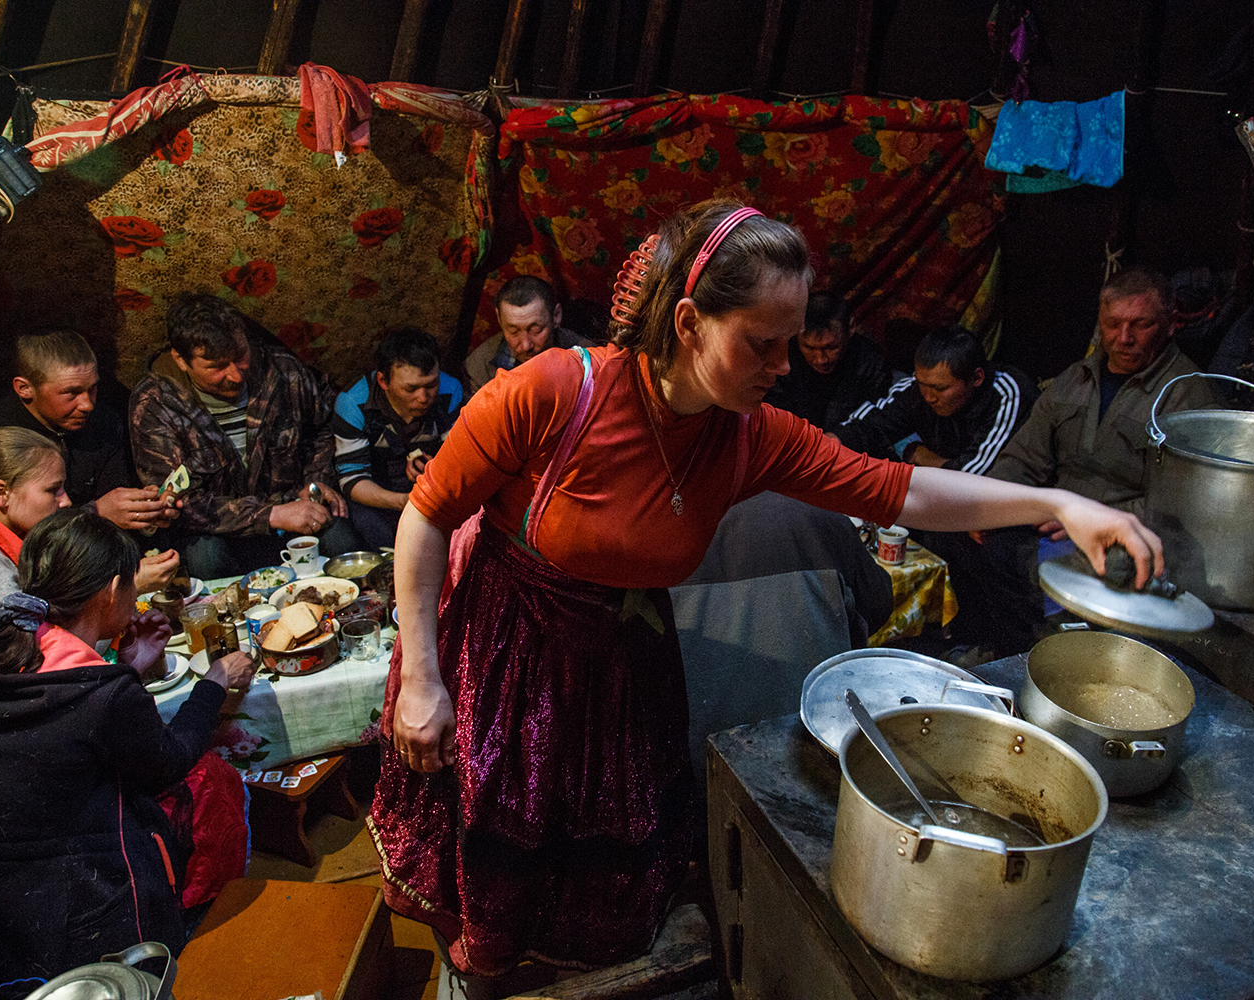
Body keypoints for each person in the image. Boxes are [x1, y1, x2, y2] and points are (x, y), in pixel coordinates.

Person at [368, 200, 1165, 991]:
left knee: (597, 852)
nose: (785, 366)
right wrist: (425, 679)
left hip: (617, 651)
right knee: (508, 834)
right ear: (688, 322)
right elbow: (429, 516)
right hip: (505, 644)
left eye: (791, 343)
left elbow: (902, 492)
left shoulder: (749, 435)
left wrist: (1058, 504)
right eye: (763, 343)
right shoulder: (551, 394)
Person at [0, 509, 256, 992]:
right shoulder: (102, 694)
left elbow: (63, 732)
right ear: (112, 591)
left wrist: (125, 665)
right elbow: (166, 762)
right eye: (132, 587)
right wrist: (214, 684)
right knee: (207, 781)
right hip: (60, 933)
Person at [932, 268, 1215, 654]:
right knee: (963, 532)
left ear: (1169, 325)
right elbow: (1024, 455)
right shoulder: (1076, 379)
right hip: (1057, 520)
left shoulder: (1187, 395)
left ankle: (1068, 654)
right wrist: (990, 505)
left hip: (1125, 532)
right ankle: (1016, 646)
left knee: (1113, 567)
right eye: (1113, 324)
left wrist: (1095, 516)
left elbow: (1182, 504)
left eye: (1141, 325)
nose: (1124, 338)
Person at [130, 294, 360, 579]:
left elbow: (322, 426)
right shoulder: (155, 403)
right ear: (181, 360)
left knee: (341, 540)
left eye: (241, 357)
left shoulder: (283, 372)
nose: (236, 376)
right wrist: (270, 514)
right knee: (206, 559)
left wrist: (316, 482)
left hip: (294, 512)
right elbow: (176, 503)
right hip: (219, 531)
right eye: (216, 366)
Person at [0, 428, 176, 614]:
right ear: (1, 493)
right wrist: (130, 588)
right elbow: (41, 653)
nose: (65, 501)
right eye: (53, 490)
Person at [0, 328, 181, 542]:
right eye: (71, 393)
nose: (87, 405)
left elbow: (114, 493)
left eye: (92, 389)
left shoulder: (104, 423)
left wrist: (142, 509)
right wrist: (94, 514)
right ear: (24, 388)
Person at [836, 325, 1037, 474]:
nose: (929, 397)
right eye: (922, 383)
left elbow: (972, 478)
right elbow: (865, 425)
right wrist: (830, 444)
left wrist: (922, 456)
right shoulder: (920, 387)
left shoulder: (1008, 394)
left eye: (940, 388)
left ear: (976, 378)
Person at [333, 327, 464, 551]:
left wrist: (436, 467)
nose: (424, 398)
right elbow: (352, 480)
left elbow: (461, 459)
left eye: (431, 385)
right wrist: (404, 502)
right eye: (411, 389)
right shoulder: (353, 403)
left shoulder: (450, 391)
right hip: (377, 498)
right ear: (384, 381)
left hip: (435, 493)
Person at [762, 292, 891, 430]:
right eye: (809, 348)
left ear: (851, 327)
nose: (821, 359)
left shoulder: (870, 362)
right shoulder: (780, 360)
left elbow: (877, 420)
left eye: (831, 347)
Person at [465, 277, 594, 395]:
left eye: (536, 330)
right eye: (514, 332)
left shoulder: (589, 359)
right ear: (499, 318)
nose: (526, 345)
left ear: (556, 315)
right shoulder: (479, 367)